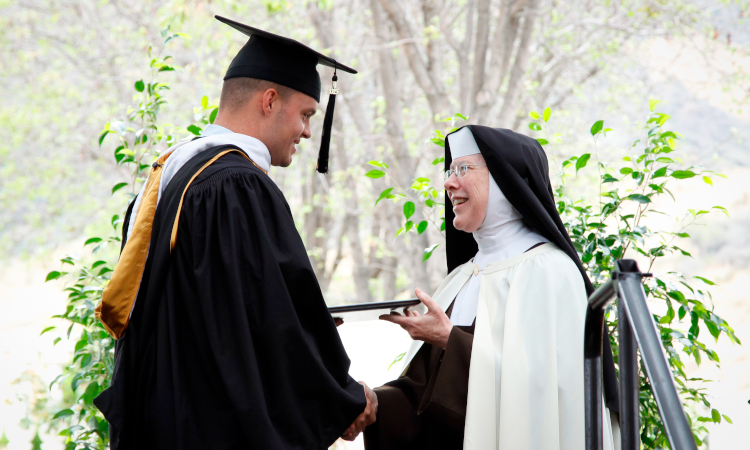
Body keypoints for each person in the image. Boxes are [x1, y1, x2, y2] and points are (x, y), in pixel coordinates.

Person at [93, 16, 376, 449]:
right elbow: (269, 319)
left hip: (161, 418)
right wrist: (344, 395)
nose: (306, 131)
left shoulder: (171, 173)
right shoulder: (234, 187)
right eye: (304, 114)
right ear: (268, 100)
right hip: (211, 428)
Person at [364, 126, 620, 449]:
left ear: (503, 179)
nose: (448, 182)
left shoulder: (551, 272)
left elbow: (545, 395)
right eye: (449, 170)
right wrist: (372, 404)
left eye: (462, 169)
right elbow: (423, 394)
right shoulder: (462, 277)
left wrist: (449, 339)